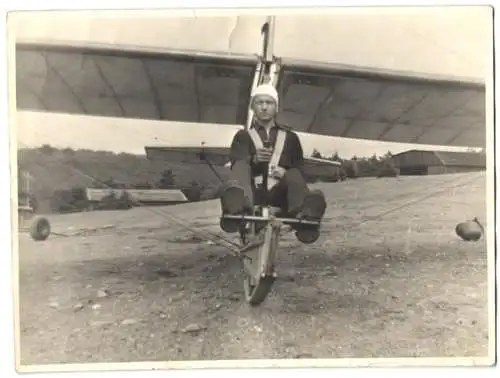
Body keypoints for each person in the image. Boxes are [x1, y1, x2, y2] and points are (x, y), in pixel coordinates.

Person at [219, 83, 327, 244]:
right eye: (259, 103)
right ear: (253, 107)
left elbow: (299, 168)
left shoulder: (291, 137)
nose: (264, 107)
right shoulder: (243, 136)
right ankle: (238, 206)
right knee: (241, 166)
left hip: (281, 195)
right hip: (252, 193)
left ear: (276, 108)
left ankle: (304, 212)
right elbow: (237, 163)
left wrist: (284, 173)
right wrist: (254, 160)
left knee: (294, 173)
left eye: (269, 103)